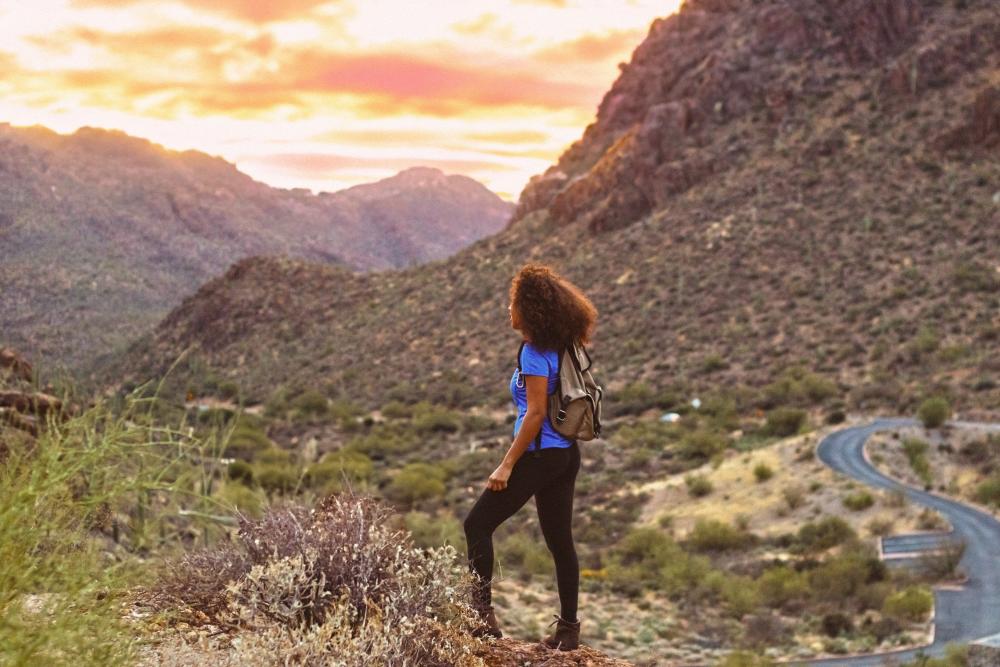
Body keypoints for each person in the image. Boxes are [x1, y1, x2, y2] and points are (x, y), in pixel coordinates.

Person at [462, 263, 597, 651]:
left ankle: (481, 618)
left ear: (531, 309)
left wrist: (506, 464)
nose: (509, 309)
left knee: (476, 524)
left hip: (540, 456)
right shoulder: (564, 345)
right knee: (560, 542)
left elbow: (536, 414)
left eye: (514, 303)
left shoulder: (533, 352)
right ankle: (568, 631)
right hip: (566, 454)